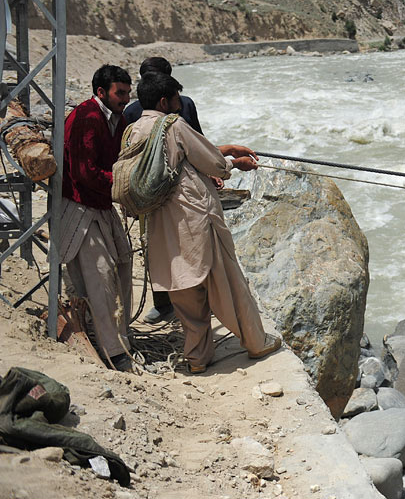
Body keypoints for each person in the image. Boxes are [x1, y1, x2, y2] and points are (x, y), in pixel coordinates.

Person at [125, 71, 280, 373]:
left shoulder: (133, 130)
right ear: (163, 100)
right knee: (227, 280)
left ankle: (197, 358)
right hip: (193, 215)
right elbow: (213, 163)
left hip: (159, 219)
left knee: (183, 287)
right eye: (175, 100)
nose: (178, 106)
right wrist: (236, 163)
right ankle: (256, 341)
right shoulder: (173, 125)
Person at [60, 65, 134, 371]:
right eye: (121, 93)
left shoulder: (117, 118)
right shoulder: (85, 118)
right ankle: (113, 351)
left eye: (129, 93)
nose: (126, 99)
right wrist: (125, 187)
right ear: (101, 92)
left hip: (102, 204)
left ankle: (123, 338)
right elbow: (84, 172)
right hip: (81, 208)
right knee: (101, 276)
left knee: (125, 262)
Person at [124, 57, 204, 325]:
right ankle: (164, 302)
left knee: (190, 244)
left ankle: (195, 301)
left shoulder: (184, 104)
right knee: (154, 246)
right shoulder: (133, 112)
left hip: (185, 188)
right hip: (151, 192)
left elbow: (199, 141)